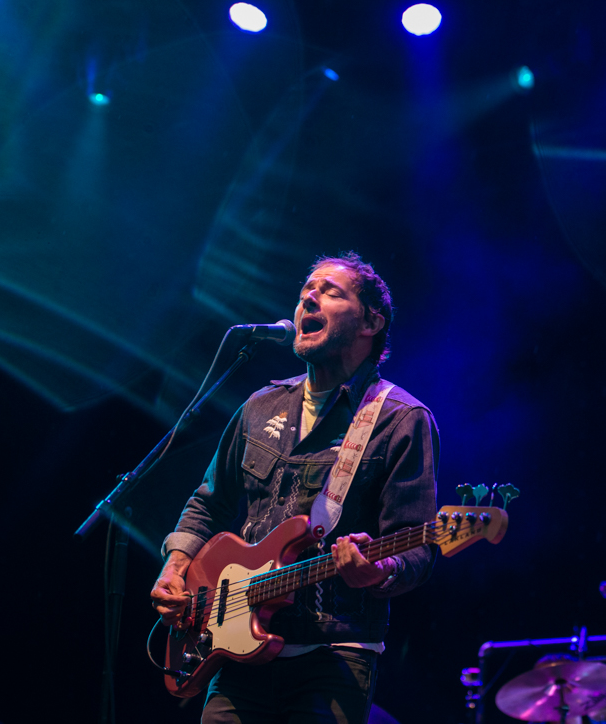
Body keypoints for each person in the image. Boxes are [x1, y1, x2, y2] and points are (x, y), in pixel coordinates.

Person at [151, 252, 439, 724]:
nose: (309, 297)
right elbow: (208, 503)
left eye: (330, 291)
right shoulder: (260, 406)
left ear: (371, 322)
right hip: (234, 650)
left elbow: (418, 548)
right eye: (307, 289)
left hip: (333, 658)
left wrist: (379, 570)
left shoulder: (401, 420)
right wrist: (176, 567)